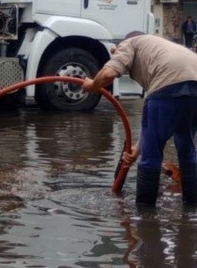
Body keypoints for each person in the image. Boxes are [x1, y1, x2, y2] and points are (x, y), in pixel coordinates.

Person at [82, 31, 197, 207]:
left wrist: (92, 85)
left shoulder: (130, 43)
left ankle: (146, 218)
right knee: (187, 148)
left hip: (168, 86)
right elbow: (154, 127)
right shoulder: (161, 47)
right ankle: (192, 210)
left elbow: (108, 75)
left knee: (151, 157)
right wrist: (136, 149)